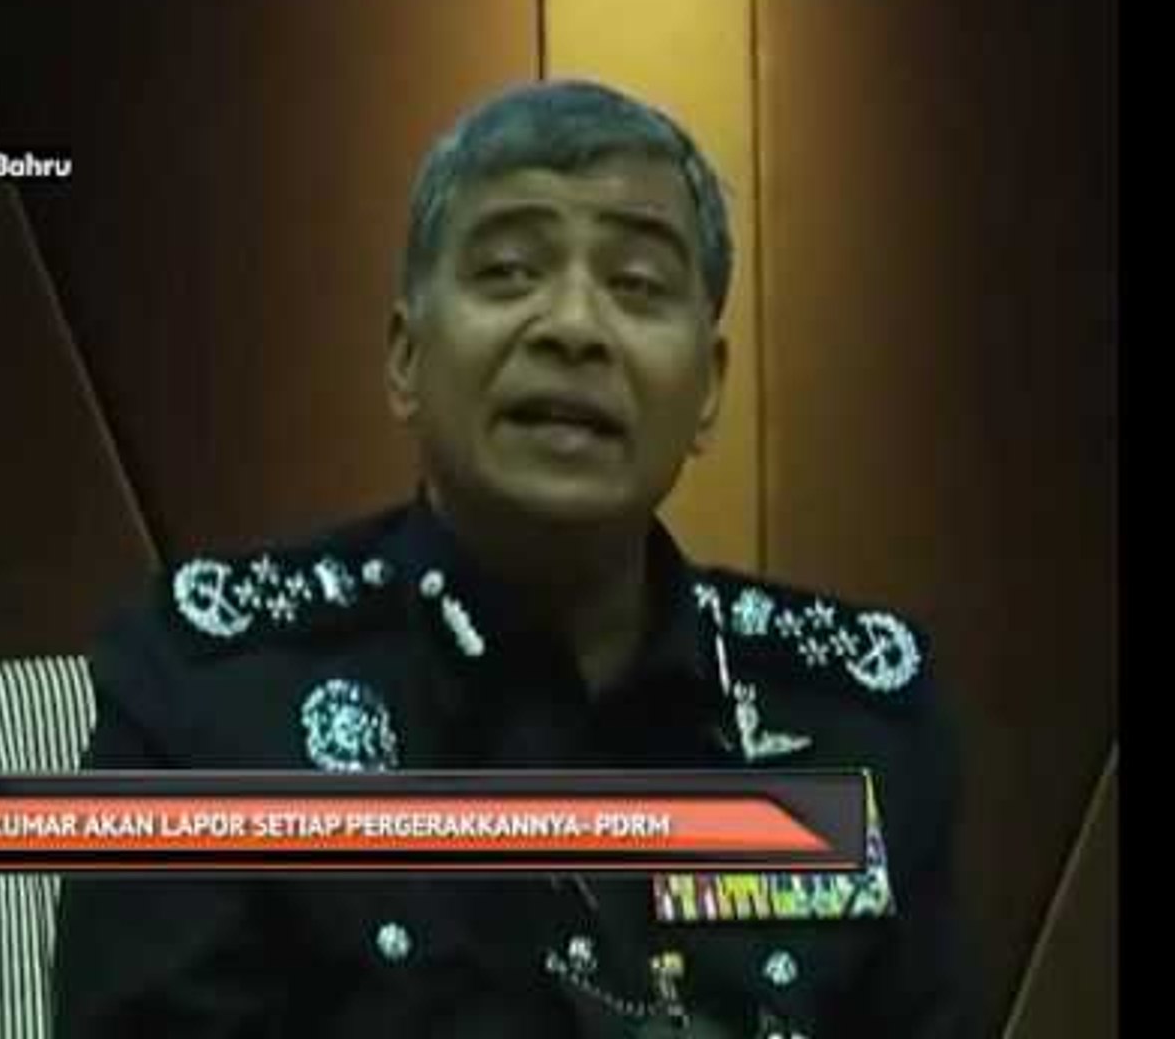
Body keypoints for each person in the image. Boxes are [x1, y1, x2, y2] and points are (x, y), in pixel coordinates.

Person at [52, 79, 970, 1038]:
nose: (573, 327)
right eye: (508, 272)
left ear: (708, 387)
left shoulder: (854, 721)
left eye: (637, 285)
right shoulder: (215, 695)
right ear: (406, 358)